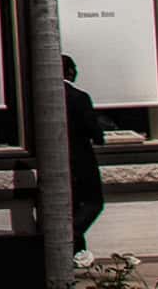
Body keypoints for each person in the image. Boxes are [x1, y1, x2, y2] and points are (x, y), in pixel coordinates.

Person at [61, 57, 107, 252]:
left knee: (71, 206)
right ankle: (68, 237)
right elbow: (94, 133)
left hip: (56, 162)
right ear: (70, 71)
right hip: (81, 158)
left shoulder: (41, 96)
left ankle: (77, 252)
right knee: (92, 203)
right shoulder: (79, 97)